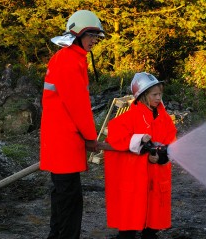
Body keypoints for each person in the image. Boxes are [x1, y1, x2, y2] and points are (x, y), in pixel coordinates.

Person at [39, 10, 104, 239]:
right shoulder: (68, 60)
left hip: (61, 141)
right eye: (92, 35)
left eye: (97, 36)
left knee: (63, 198)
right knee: (69, 202)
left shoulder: (70, 58)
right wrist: (90, 137)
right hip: (64, 142)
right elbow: (78, 106)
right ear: (79, 33)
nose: (95, 40)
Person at [104, 72, 177, 239]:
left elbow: (171, 138)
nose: (159, 98)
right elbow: (115, 136)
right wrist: (141, 144)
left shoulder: (164, 118)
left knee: (153, 220)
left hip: (156, 177)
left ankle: (150, 233)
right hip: (135, 177)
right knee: (130, 217)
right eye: (154, 94)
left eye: (160, 94)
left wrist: (163, 156)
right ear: (143, 96)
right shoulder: (130, 117)